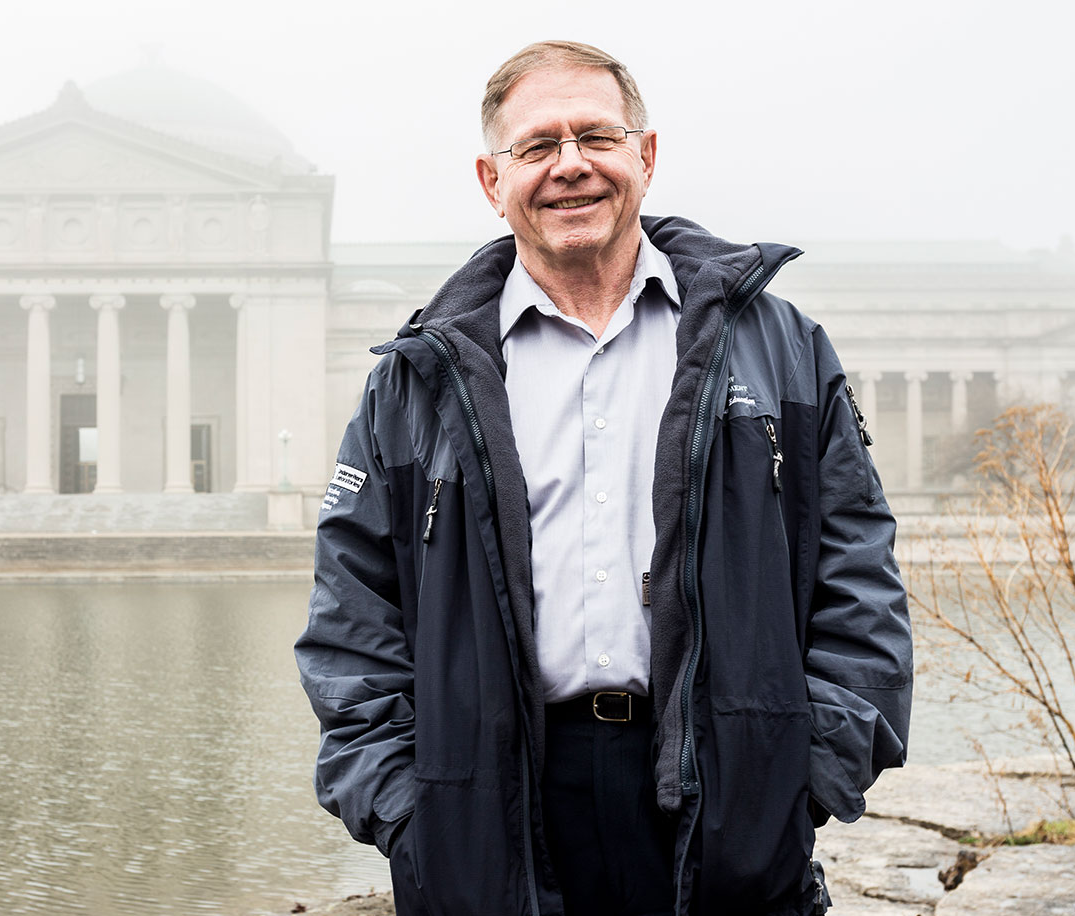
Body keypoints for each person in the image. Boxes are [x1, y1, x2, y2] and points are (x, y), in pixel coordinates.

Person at [295, 40, 912, 916]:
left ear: (645, 156)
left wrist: (801, 776)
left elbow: (857, 572)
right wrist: (409, 812)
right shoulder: (414, 379)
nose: (570, 165)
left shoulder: (778, 347)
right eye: (536, 146)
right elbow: (352, 615)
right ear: (491, 180)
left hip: (727, 802)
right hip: (490, 812)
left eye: (595, 136)